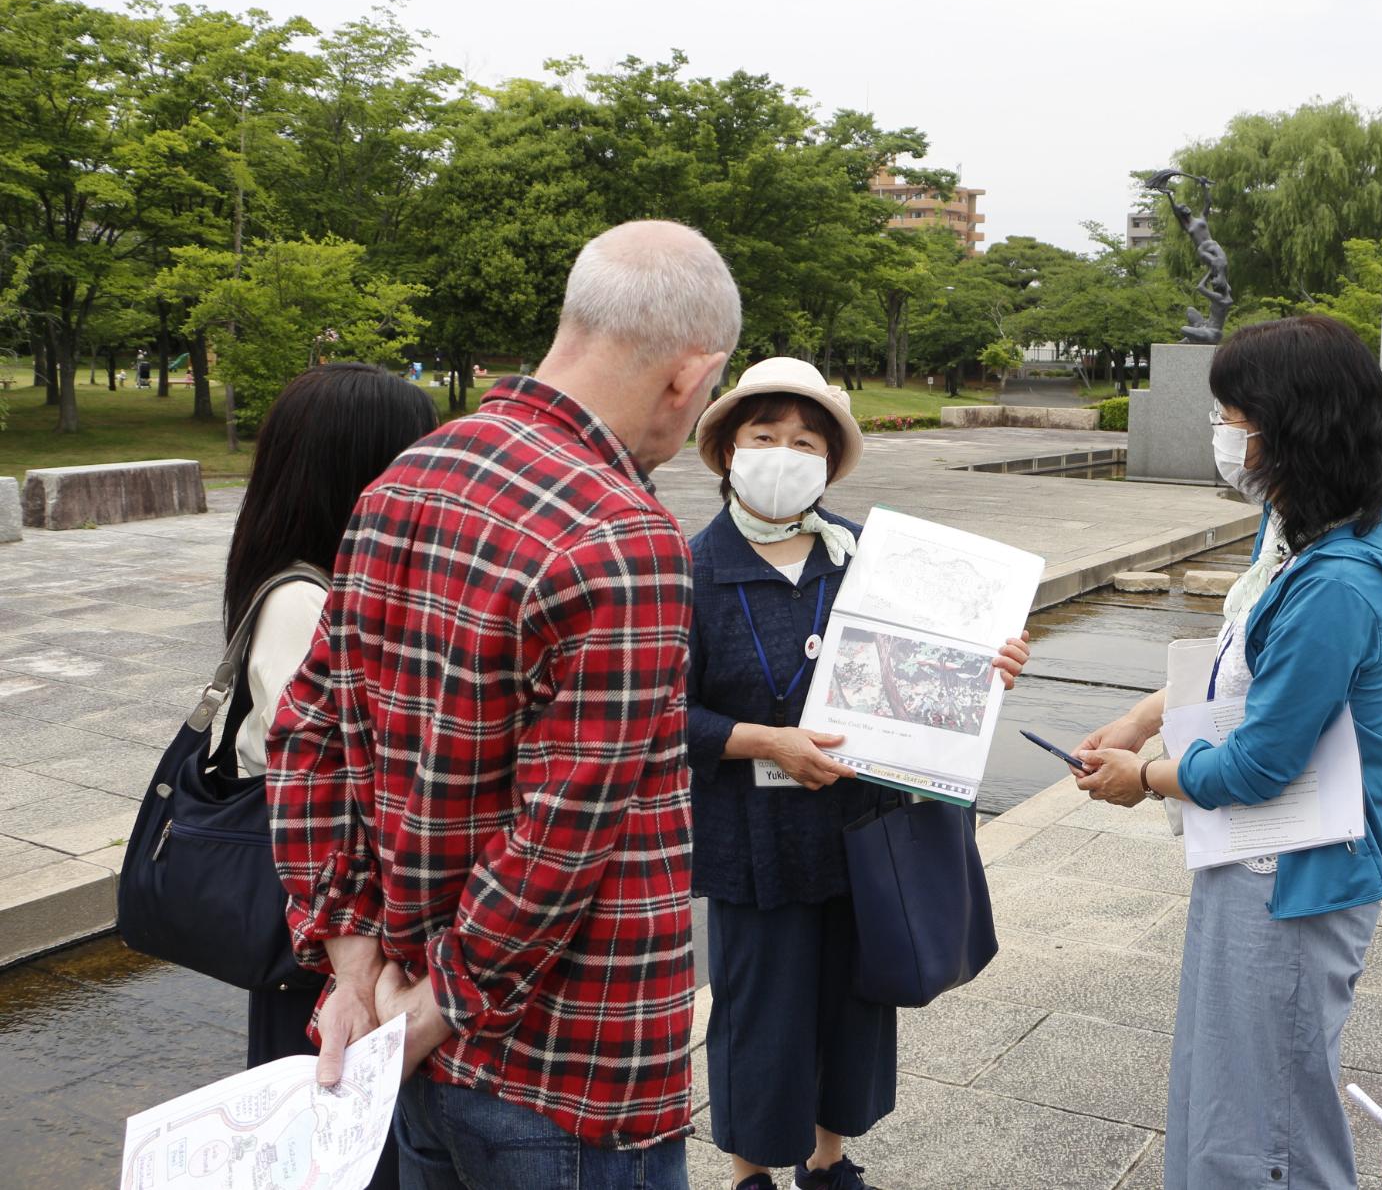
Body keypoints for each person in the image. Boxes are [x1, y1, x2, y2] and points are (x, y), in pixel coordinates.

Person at [268, 221, 742, 1190]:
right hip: (568, 1072)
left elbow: (307, 732)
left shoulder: (405, 477)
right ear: (689, 378)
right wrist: (437, 1006)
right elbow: (562, 839)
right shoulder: (623, 534)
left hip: (408, 1034)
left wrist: (354, 969)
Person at [1072, 314, 1382, 1190]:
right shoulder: (1310, 537)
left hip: (1290, 873)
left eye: (1235, 415)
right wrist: (1140, 719)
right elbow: (1243, 656)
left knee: (1267, 1119)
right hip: (1259, 856)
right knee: (1233, 1083)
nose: (1224, 435)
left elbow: (1263, 761)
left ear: (1290, 427)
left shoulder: (1336, 581)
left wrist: (1145, 776)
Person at [684, 357, 1029, 1190]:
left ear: (829, 460)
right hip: (753, 841)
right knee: (757, 1012)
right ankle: (749, 1173)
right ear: (730, 448)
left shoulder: (871, 558)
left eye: (805, 440)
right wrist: (767, 741)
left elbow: (931, 671)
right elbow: (662, 712)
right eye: (764, 435)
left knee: (854, 1005)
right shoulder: (686, 564)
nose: (784, 452)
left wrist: (987, 664)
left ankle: (831, 1163)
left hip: (860, 834)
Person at [224, 362, 437, 1188]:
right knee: (334, 1139)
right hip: (316, 933)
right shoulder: (304, 603)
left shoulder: (315, 583)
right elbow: (335, 770)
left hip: (322, 923)